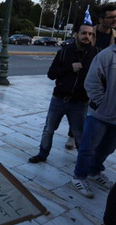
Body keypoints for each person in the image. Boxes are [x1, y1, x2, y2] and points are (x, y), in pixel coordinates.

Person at [28, 23, 99, 164]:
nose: (87, 36)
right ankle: (42, 154)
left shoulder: (96, 54)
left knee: (79, 135)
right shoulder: (65, 52)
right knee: (48, 129)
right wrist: (69, 68)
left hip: (80, 103)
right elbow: (51, 74)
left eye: (90, 34)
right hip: (59, 99)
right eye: (84, 33)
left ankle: (83, 162)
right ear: (76, 34)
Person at [65, 4, 116, 149]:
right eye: (111, 17)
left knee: (94, 113)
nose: (114, 20)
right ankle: (72, 136)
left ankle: (90, 140)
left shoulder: (115, 36)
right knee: (79, 110)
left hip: (105, 82)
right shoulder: (88, 32)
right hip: (83, 78)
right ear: (101, 19)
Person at [71, 34, 116, 198]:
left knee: (108, 148)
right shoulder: (107, 55)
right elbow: (91, 82)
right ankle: (79, 176)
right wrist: (103, 103)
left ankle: (94, 171)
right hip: (100, 115)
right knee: (88, 148)